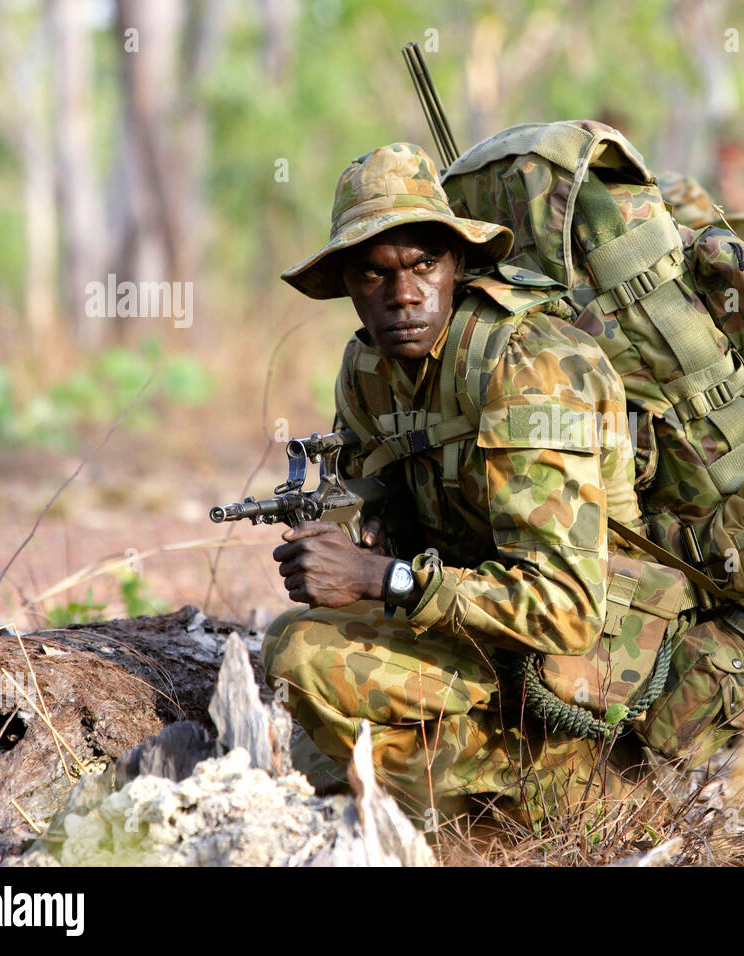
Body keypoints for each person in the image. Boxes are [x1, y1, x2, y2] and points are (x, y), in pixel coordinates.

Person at [261, 143, 653, 825]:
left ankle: (555, 789)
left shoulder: (529, 366)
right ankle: (454, 787)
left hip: (582, 660)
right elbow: (375, 504)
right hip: (478, 623)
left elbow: (565, 609)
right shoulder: (367, 370)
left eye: (423, 265)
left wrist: (380, 577)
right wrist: (355, 540)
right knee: (291, 640)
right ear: (347, 285)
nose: (403, 295)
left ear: (459, 265)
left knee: (304, 658)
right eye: (373, 274)